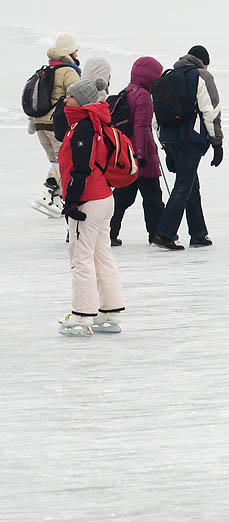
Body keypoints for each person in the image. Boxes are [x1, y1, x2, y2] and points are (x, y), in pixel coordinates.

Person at [57, 78, 125, 336]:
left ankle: (82, 315)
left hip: (89, 200)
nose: (66, 100)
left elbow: (81, 167)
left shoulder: (83, 127)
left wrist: (73, 201)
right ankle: (110, 310)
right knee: (101, 254)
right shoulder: (95, 121)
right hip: (104, 197)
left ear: (82, 101)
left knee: (81, 258)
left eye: (70, 96)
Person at [151, 45, 223, 251]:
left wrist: (164, 144)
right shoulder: (201, 76)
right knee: (183, 185)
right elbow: (211, 112)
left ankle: (198, 233)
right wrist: (217, 142)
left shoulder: (167, 78)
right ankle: (164, 233)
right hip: (190, 140)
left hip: (170, 140)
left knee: (190, 184)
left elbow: (156, 119)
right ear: (204, 62)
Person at [109, 56, 165, 246]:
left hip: (127, 153)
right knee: (153, 198)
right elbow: (142, 127)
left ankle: (109, 232)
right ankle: (157, 234)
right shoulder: (143, 97)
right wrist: (141, 154)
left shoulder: (127, 91)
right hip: (142, 156)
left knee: (123, 196)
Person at [28, 32, 81, 215]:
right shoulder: (68, 71)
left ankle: (55, 200)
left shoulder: (47, 70)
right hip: (55, 124)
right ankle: (47, 191)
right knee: (64, 160)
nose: (77, 55)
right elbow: (77, 95)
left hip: (38, 123)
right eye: (75, 51)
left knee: (55, 161)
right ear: (70, 52)